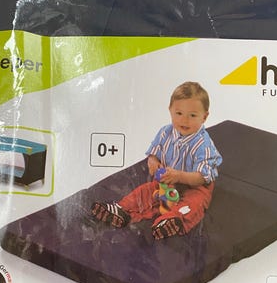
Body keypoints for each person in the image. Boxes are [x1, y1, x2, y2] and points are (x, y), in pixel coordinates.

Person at [91, 81, 222, 239]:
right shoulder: (165, 132)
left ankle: (173, 220)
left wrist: (179, 176)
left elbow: (202, 177)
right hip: (168, 181)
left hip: (195, 186)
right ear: (170, 110)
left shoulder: (204, 145)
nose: (184, 120)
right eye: (179, 113)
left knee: (195, 203)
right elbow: (153, 154)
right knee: (146, 191)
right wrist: (153, 162)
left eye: (192, 115)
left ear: (204, 117)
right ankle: (122, 209)